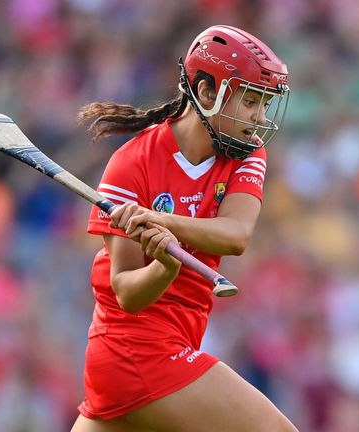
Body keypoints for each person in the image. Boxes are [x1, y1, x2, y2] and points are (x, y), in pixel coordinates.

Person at [72, 25, 298, 431]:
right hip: (136, 351)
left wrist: (160, 221)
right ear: (208, 93)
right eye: (250, 102)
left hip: (159, 352)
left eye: (264, 104)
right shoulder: (131, 163)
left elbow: (237, 235)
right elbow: (127, 294)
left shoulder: (246, 153)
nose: (259, 117)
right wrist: (165, 265)